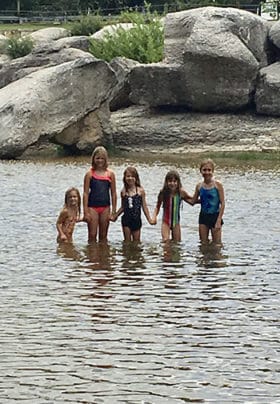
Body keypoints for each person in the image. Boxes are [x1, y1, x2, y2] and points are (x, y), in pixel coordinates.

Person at [83, 146, 117, 242]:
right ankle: (92, 255)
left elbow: (113, 193)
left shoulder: (110, 174)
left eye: (102, 158)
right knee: (92, 235)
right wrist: (85, 211)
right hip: (92, 207)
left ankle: (104, 256)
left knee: (103, 235)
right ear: (93, 159)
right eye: (97, 158)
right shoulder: (89, 174)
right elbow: (85, 193)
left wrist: (114, 211)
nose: (100, 160)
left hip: (105, 207)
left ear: (106, 159)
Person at [112, 166, 154, 241]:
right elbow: (123, 207)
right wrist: (115, 216)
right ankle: (126, 252)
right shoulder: (123, 192)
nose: (130, 178)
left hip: (136, 220)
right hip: (126, 220)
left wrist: (149, 219)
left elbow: (144, 207)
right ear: (124, 178)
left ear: (136, 178)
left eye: (132, 176)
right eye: (128, 176)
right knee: (127, 242)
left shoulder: (140, 191)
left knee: (136, 242)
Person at [152, 170, 194, 242]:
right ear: (166, 182)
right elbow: (157, 206)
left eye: (174, 181)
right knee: (166, 241)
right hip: (166, 222)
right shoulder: (163, 192)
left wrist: (203, 200)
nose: (172, 183)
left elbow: (192, 200)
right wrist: (154, 217)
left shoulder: (181, 192)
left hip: (176, 222)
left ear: (178, 183)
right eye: (170, 181)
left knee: (177, 243)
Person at [192, 158, 225, 244]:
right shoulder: (199, 186)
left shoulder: (218, 185)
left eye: (209, 170)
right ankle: (205, 257)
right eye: (204, 170)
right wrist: (182, 195)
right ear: (201, 171)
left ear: (213, 171)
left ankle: (215, 257)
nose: (207, 172)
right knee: (203, 243)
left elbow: (222, 203)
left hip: (215, 216)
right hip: (203, 216)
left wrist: (219, 220)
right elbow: (193, 201)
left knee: (217, 244)